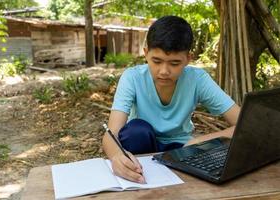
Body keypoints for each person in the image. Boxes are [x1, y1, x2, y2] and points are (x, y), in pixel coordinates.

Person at [102, 16, 240, 184]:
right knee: (136, 131)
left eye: (174, 63)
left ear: (188, 59)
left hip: (181, 148)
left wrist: (200, 140)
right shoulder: (132, 77)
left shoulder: (198, 80)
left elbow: (243, 125)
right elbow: (112, 133)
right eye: (156, 61)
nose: (164, 71)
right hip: (140, 143)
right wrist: (117, 156)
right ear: (146, 53)